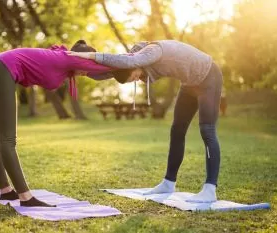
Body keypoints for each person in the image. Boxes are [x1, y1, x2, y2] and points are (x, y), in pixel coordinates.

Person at [68, 40, 223, 202]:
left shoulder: (153, 51)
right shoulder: (133, 64)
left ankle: (210, 190)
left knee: (207, 131)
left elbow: (129, 62)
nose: (137, 79)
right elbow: (111, 70)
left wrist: (90, 55)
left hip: (208, 78)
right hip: (189, 85)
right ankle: (168, 183)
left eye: (134, 77)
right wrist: (81, 69)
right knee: (177, 131)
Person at [0, 40, 113, 207]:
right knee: (7, 139)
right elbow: (109, 65)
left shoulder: (64, 62)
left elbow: (102, 73)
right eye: (88, 63)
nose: (88, 70)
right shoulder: (69, 58)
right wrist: (137, 60)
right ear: (82, 58)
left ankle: (6, 191)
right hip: (1, 71)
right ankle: (26, 198)